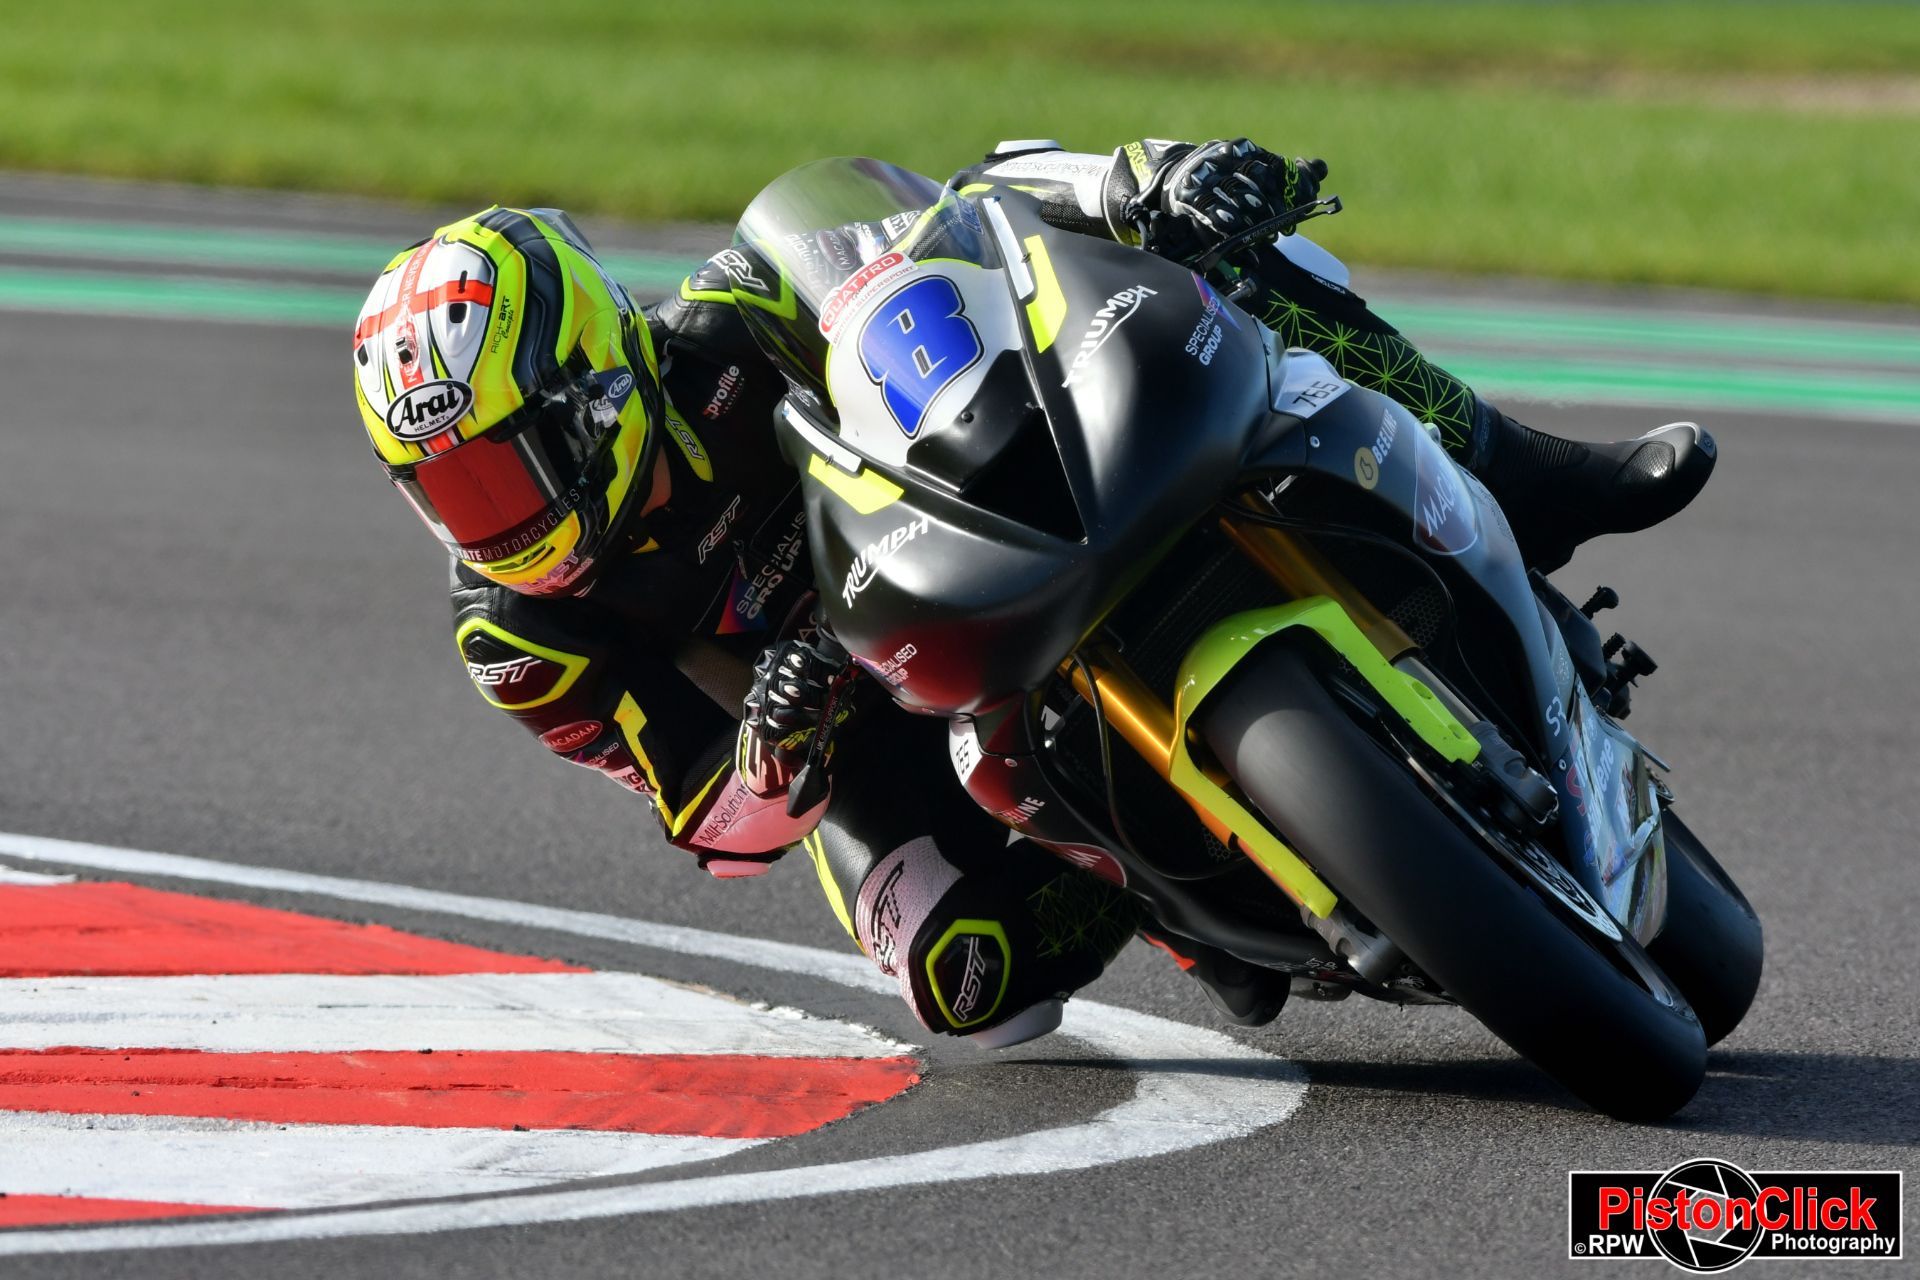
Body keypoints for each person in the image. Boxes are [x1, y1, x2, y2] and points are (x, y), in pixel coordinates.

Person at [348, 138, 1714, 1046]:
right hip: (862, 721)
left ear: (590, 387)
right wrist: (776, 744)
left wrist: (1134, 183)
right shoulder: (517, 633)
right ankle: (1158, 882)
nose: (493, 524)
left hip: (984, 526)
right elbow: (712, 823)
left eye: (504, 476)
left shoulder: (734, 318)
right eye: (450, 493)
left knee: (1224, 257)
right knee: (964, 995)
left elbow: (971, 210)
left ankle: (1527, 471)